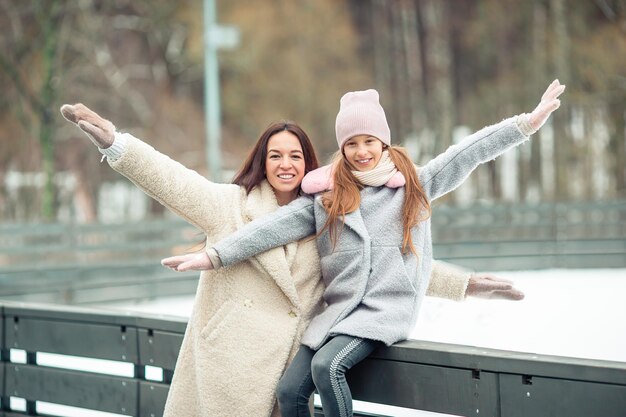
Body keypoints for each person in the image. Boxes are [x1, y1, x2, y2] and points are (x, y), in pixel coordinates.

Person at [61, 104, 523, 417]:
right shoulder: (228, 205)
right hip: (226, 372)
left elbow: (381, 265)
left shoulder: (329, 213)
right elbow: (172, 180)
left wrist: (463, 286)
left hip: (278, 379)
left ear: (310, 164)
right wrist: (116, 144)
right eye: (275, 155)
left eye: (296, 156)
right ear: (262, 161)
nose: (286, 164)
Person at [162, 80, 565, 417]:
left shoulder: (414, 186)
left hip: (381, 313)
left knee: (328, 365)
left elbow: (468, 154)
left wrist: (525, 124)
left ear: (383, 142)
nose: (361, 151)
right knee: (288, 392)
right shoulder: (326, 200)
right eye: (352, 143)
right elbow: (267, 230)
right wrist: (212, 256)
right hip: (336, 314)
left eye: (369, 140)